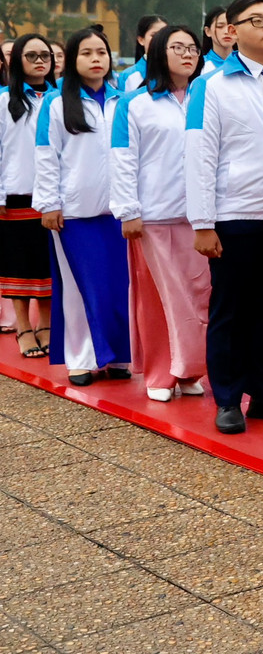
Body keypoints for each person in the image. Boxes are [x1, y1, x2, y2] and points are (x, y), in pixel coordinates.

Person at [185, 0, 263, 435]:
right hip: (235, 212)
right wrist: (203, 222)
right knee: (230, 311)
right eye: (258, 20)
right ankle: (229, 398)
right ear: (231, 31)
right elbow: (199, 152)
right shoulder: (211, 85)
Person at [110, 25, 210, 401]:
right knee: (156, 298)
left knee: (198, 295)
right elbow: (122, 159)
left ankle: (189, 370)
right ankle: (159, 374)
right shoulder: (134, 103)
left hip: (197, 216)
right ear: (157, 53)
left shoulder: (204, 97)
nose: (188, 54)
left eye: (192, 48)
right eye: (177, 47)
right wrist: (128, 211)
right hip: (152, 216)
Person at [34, 27, 132, 386]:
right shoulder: (57, 104)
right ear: (73, 61)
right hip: (74, 214)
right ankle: (80, 358)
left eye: (102, 53)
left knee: (119, 287)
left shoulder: (123, 101)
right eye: (87, 53)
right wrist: (49, 204)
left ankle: (121, 356)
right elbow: (46, 156)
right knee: (79, 289)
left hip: (118, 212)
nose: (96, 59)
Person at [0, 34, 57, 357]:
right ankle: (23, 326)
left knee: (48, 265)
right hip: (16, 194)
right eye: (32, 55)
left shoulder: (61, 98)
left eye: (45, 56)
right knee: (17, 265)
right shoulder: (4, 100)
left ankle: (46, 325)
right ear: (17, 61)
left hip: (53, 198)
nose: (40, 61)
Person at [117, 14, 168, 93]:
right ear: (141, 40)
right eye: (154, 35)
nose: (160, 39)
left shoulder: (178, 74)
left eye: (165, 35)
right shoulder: (127, 76)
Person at [200, 6, 236, 76]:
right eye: (220, 26)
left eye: (231, 27)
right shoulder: (199, 65)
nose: (227, 31)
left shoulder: (247, 64)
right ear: (208, 31)